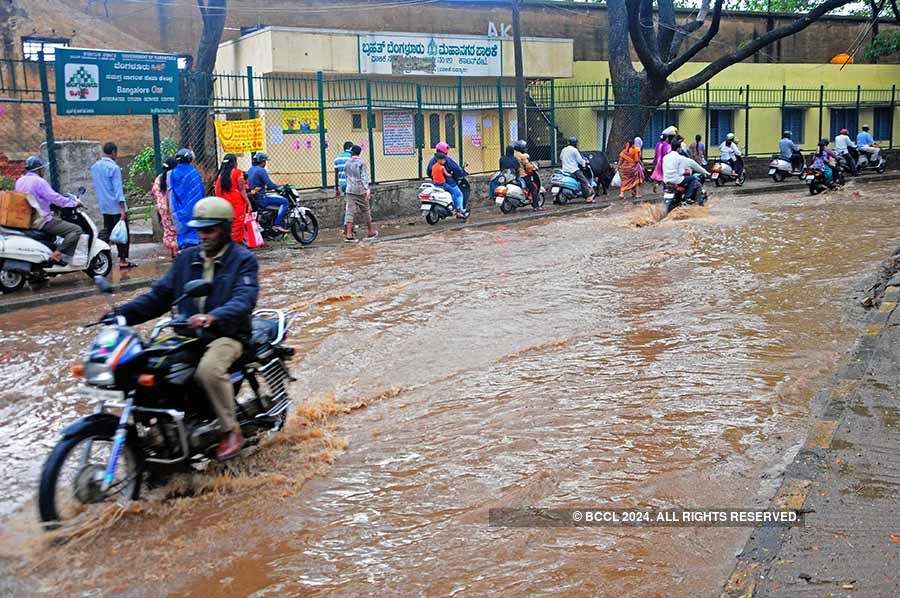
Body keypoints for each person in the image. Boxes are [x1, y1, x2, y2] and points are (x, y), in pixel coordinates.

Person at [110, 197, 258, 461]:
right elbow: (159, 297)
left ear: (224, 228)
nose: (203, 235)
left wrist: (213, 316)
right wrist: (120, 314)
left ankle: (231, 431)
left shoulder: (242, 259)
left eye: (210, 229)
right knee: (149, 365)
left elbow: (244, 299)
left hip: (228, 334)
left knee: (209, 370)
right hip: (189, 336)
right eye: (200, 229)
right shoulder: (187, 259)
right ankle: (167, 428)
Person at [14, 156, 81, 265]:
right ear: (39, 170)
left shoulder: (20, 181)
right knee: (76, 230)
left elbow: (35, 199)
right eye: (43, 169)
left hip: (26, 220)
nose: (44, 171)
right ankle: (58, 254)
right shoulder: (39, 181)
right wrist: (73, 203)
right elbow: (55, 198)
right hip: (41, 221)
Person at [91, 142, 136, 269]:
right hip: (116, 207)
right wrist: (122, 209)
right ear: (113, 152)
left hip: (104, 206)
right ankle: (123, 260)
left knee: (108, 231)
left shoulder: (95, 167)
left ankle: (96, 253)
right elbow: (118, 190)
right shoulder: (114, 168)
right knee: (122, 234)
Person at [167, 148, 205, 250]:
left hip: (178, 210)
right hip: (194, 209)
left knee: (183, 237)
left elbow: (171, 193)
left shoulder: (171, 174)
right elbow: (200, 191)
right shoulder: (193, 173)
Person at [214, 153, 256, 242]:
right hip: (237, 203)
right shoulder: (238, 173)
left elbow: (217, 191)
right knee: (237, 225)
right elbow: (242, 190)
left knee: (227, 224)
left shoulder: (220, 175)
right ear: (234, 162)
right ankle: (235, 245)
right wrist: (248, 203)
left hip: (224, 204)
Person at [245, 152, 290, 230]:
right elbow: (270, 185)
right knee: (285, 201)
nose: (265, 163)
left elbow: (258, 183)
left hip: (253, 198)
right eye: (265, 161)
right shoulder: (261, 170)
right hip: (261, 198)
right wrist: (279, 187)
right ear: (262, 162)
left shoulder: (250, 170)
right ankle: (277, 224)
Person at [343, 145, 377, 242]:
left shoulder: (347, 163)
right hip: (360, 189)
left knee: (349, 211)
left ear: (353, 152)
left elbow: (346, 175)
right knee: (366, 210)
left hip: (349, 189)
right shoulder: (362, 163)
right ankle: (370, 231)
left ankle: (349, 234)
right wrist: (367, 189)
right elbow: (364, 178)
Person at [662, 137, 710, 202]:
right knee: (693, 178)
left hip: (666, 180)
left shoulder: (665, 157)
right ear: (679, 148)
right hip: (676, 179)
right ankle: (687, 198)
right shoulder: (680, 158)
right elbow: (693, 164)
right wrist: (705, 172)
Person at [426, 142, 466, 216]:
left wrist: (434, 178)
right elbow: (457, 169)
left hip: (436, 183)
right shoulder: (446, 159)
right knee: (458, 194)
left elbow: (428, 172)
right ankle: (460, 211)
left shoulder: (432, 160)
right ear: (445, 150)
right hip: (448, 183)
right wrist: (460, 176)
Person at [150, 157, 178, 258]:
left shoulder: (159, 178)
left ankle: (172, 252)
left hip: (162, 209)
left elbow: (153, 192)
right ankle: (176, 252)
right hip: (172, 207)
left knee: (168, 230)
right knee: (176, 230)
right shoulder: (174, 177)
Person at [559, 137, 594, 203]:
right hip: (573, 170)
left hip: (564, 170)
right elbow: (580, 160)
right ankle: (587, 196)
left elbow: (561, 158)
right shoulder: (574, 150)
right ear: (575, 143)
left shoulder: (564, 149)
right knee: (584, 181)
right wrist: (584, 164)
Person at [513, 139, 542, 211]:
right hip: (523, 175)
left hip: (514, 175)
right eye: (524, 147)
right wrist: (533, 169)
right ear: (521, 148)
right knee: (534, 188)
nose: (525, 149)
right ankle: (536, 206)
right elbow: (528, 166)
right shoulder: (522, 156)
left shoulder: (514, 154)